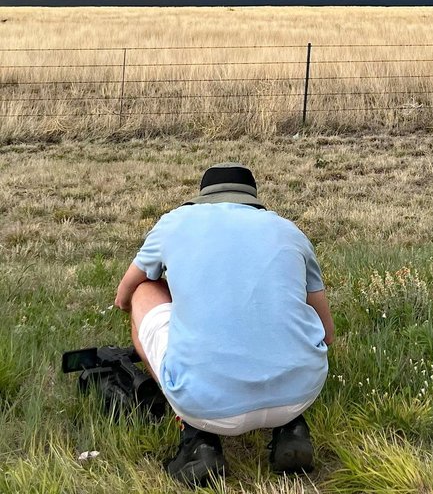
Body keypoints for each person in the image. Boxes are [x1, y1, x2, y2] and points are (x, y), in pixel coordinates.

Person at [115, 163, 334, 485]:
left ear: (203, 198)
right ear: (253, 200)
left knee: (144, 289)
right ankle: (292, 427)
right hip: (300, 394)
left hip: (204, 407)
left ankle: (196, 438)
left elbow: (124, 295)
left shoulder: (174, 223)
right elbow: (326, 333)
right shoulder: (289, 231)